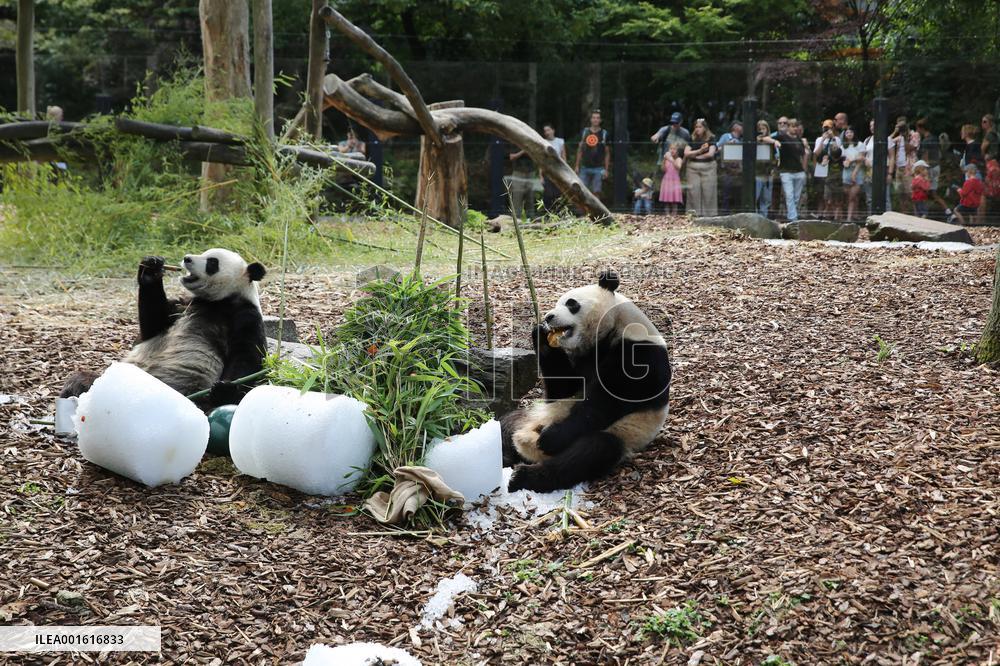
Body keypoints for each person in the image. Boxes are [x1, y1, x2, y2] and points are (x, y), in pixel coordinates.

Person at [763, 117, 807, 221]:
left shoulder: (799, 140)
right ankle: (793, 218)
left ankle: (791, 215)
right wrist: (775, 141)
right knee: (789, 195)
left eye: (796, 126)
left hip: (799, 172)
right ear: (788, 127)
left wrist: (804, 169)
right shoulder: (782, 136)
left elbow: (803, 154)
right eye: (792, 126)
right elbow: (763, 138)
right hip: (786, 171)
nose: (795, 129)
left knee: (796, 197)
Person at [683, 118, 718, 217]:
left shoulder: (711, 138)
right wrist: (700, 151)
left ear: (705, 128)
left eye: (700, 127)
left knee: (708, 192)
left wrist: (695, 155)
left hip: (708, 167)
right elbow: (686, 153)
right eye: (696, 127)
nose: (697, 129)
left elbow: (711, 154)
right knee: (693, 192)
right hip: (693, 168)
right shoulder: (692, 138)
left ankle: (709, 216)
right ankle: (693, 215)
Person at [575, 110, 611, 196]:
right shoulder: (584, 132)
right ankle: (583, 210)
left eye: (597, 118)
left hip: (598, 168)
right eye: (594, 118)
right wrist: (576, 166)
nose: (595, 120)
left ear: (600, 120)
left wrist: (606, 169)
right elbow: (580, 150)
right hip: (584, 167)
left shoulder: (604, 133)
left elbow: (607, 153)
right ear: (591, 119)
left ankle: (596, 210)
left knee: (597, 192)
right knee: (581, 192)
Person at [813, 119, 841, 217]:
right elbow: (816, 153)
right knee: (820, 192)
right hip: (821, 168)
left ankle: (830, 213)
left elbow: (838, 152)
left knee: (830, 193)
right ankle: (820, 213)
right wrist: (822, 140)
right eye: (825, 128)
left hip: (832, 169)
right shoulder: (818, 139)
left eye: (829, 128)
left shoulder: (836, 139)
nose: (826, 130)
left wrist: (832, 137)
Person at [715, 121, 743, 214]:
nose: (742, 128)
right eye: (741, 126)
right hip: (726, 170)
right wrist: (727, 145)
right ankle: (724, 214)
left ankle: (737, 214)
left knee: (737, 194)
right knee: (726, 194)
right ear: (735, 127)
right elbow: (716, 149)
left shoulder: (741, 140)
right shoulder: (726, 136)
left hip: (738, 171)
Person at [889, 117, 914, 213]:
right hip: (898, 167)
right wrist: (895, 132)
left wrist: (904, 137)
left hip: (908, 167)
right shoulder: (899, 137)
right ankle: (904, 214)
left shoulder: (913, 135)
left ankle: (915, 214)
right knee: (900, 193)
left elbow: (912, 148)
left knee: (909, 193)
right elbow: (888, 141)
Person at [841, 126, 865, 222]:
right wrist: (845, 162)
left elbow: (861, 159)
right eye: (847, 132)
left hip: (857, 170)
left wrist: (851, 162)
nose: (849, 134)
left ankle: (848, 218)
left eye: (851, 132)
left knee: (852, 196)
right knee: (849, 195)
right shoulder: (843, 146)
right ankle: (854, 215)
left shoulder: (860, 144)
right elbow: (842, 159)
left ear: (854, 133)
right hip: (846, 171)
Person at [541, 123, 566, 211]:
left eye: (548, 130)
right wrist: (541, 176)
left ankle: (559, 213)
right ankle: (548, 213)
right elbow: (541, 160)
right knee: (548, 194)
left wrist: (565, 172)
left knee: (558, 193)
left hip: (559, 171)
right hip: (547, 171)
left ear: (553, 130)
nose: (546, 132)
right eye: (545, 131)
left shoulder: (560, 141)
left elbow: (563, 158)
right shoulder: (542, 142)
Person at [508, 146, 537, 221]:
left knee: (530, 198)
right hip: (518, 173)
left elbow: (536, 158)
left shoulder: (531, 143)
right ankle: (516, 221)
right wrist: (523, 151)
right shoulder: (515, 142)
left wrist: (527, 151)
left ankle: (531, 220)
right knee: (517, 198)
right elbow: (512, 157)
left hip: (530, 172)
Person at [754, 120, 776, 218]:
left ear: (767, 129)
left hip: (768, 175)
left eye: (764, 129)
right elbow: (759, 139)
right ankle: (754, 219)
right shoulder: (754, 141)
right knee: (754, 199)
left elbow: (776, 158)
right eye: (759, 129)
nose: (762, 131)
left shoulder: (772, 143)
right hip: (757, 175)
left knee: (766, 200)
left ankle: (764, 219)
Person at [659, 142, 684, 214]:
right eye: (671, 149)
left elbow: (678, 167)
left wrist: (671, 159)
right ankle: (667, 215)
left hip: (675, 181)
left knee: (674, 200)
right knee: (666, 200)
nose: (672, 150)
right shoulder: (667, 160)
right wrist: (664, 160)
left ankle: (674, 215)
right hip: (666, 181)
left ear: (677, 151)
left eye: (674, 149)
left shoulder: (678, 159)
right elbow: (663, 169)